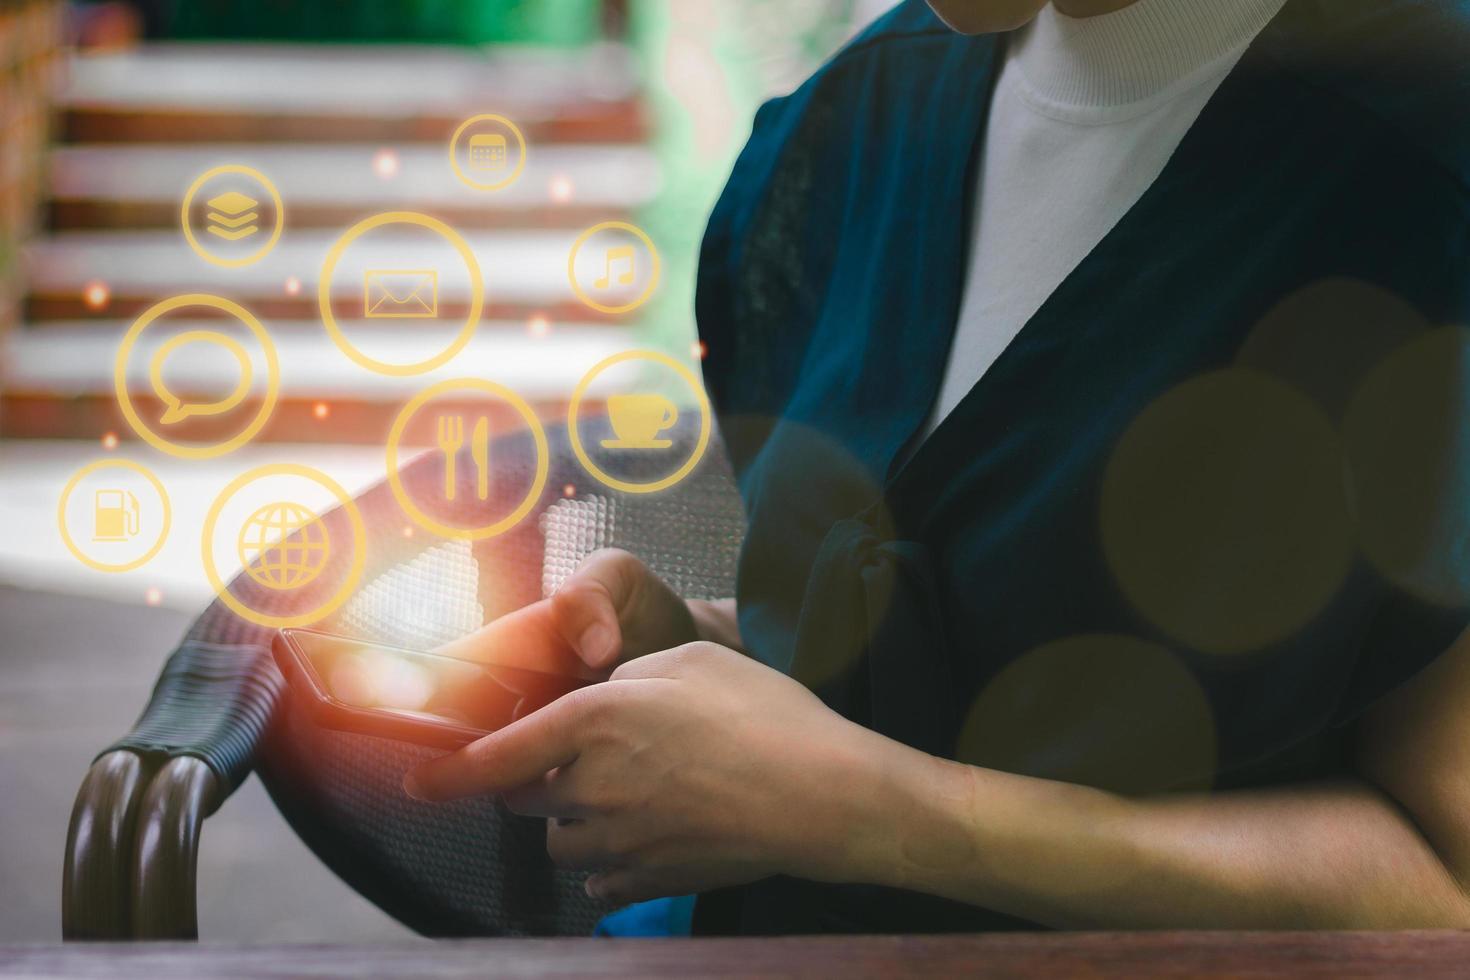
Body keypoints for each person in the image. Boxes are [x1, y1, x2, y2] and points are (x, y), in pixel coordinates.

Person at [406, 0, 1470, 934]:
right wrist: (708, 656)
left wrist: (871, 810)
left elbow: (1448, 882)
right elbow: (991, 639)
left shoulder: (1424, 169)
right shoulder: (849, 125)